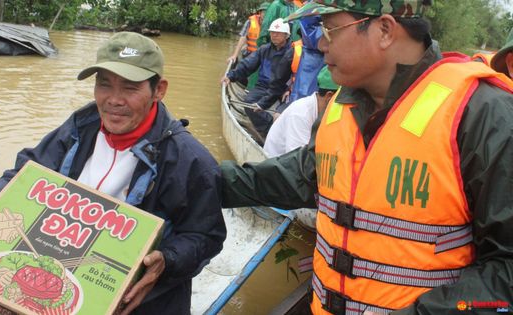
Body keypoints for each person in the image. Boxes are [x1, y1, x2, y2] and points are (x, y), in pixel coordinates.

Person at [220, 1, 513, 314]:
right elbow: (302, 174)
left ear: (385, 30)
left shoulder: (483, 113)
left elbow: (505, 278)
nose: (319, 43)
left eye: (330, 29)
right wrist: (210, 182)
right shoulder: (341, 106)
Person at [0, 32, 226, 315]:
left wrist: (167, 260)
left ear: (159, 90)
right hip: (58, 261)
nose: (113, 100)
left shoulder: (190, 160)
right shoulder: (80, 126)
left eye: (130, 88)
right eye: (104, 85)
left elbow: (206, 235)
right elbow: (26, 170)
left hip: (136, 298)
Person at [222, 18, 294, 139]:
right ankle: (268, 128)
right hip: (264, 86)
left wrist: (290, 88)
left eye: (278, 33)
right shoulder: (264, 49)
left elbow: (296, 75)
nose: (274, 35)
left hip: (283, 90)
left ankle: (279, 131)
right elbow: (248, 64)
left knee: (287, 114)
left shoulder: (292, 52)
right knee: (249, 104)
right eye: (272, 32)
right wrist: (231, 76)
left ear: (286, 35)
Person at [264, 66, 338, 157]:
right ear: (329, 97)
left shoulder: (320, 112)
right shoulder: (300, 114)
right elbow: (298, 161)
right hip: (280, 167)